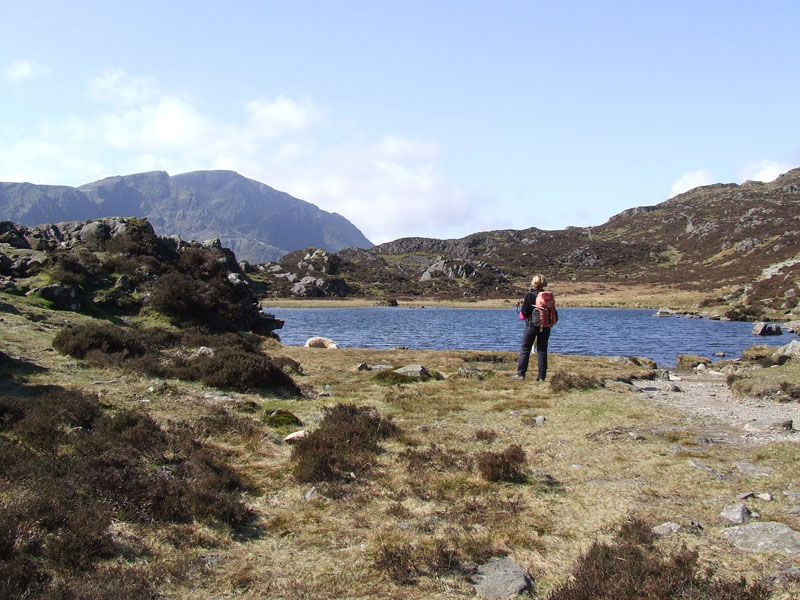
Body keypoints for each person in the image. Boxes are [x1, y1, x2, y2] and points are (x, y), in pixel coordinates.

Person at [513, 273, 553, 381]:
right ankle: (541, 377)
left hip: (531, 326)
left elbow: (523, 314)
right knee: (542, 350)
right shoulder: (548, 296)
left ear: (533, 283)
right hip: (545, 326)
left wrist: (522, 314)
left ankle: (521, 374)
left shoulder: (530, 296)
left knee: (525, 349)